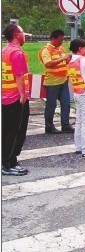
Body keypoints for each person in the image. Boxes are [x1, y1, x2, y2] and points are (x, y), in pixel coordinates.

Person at [2, 24, 31, 176]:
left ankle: (9, 160)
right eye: (23, 32)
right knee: (16, 131)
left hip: (5, 96)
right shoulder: (17, 53)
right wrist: (23, 95)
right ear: (17, 34)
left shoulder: (5, 50)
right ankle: (7, 163)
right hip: (16, 98)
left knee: (7, 130)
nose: (24, 35)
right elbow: (19, 75)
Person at [38, 29, 74, 134]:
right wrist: (63, 58)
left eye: (63, 40)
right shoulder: (46, 50)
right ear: (53, 38)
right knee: (51, 105)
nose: (61, 42)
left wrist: (68, 58)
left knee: (66, 104)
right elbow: (48, 63)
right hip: (52, 82)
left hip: (63, 81)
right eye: (60, 40)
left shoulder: (61, 49)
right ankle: (49, 127)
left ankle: (66, 125)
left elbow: (66, 61)